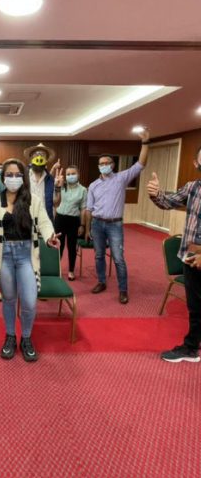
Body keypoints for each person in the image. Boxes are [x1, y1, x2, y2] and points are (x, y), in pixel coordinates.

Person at [0, 158, 60, 362]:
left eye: (18, 175)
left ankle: (26, 337)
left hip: (26, 256)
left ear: (24, 178)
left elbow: (44, 222)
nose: (13, 178)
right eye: (9, 175)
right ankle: (10, 336)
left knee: (30, 302)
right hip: (4, 255)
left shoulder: (33, 200)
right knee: (8, 299)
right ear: (3, 177)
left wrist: (49, 237)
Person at [147, 145, 201, 363]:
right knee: (195, 306)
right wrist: (156, 194)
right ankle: (191, 348)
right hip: (192, 257)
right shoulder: (193, 187)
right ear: (196, 163)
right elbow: (168, 202)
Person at [85, 129, 150, 304]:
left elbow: (141, 164)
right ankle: (101, 282)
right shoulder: (93, 185)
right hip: (97, 224)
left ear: (113, 165)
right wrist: (88, 228)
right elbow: (89, 209)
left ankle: (123, 290)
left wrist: (145, 143)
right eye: (101, 163)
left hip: (115, 225)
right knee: (99, 256)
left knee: (118, 258)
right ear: (98, 166)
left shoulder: (121, 178)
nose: (104, 165)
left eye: (107, 162)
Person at [55, 165, 87, 280]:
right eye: (68, 174)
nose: (70, 176)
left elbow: (83, 209)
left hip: (74, 220)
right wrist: (57, 187)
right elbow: (55, 202)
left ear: (78, 175)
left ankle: (71, 270)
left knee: (72, 247)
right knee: (59, 245)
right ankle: (56, 269)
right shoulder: (61, 186)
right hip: (60, 219)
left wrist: (82, 225)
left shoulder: (83, 190)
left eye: (73, 173)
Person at [23, 142, 61, 220]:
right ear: (31, 158)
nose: (39, 157)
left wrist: (57, 188)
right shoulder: (23, 177)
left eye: (43, 154)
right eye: (36, 154)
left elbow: (55, 203)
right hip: (26, 219)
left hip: (45, 220)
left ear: (46, 159)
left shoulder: (50, 180)